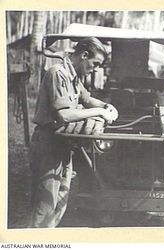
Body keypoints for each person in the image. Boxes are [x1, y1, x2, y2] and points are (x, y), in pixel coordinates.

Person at [29, 37, 118, 228]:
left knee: (60, 201)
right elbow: (64, 115)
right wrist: (100, 112)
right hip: (48, 143)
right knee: (45, 206)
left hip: (63, 145)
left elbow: (86, 98)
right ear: (84, 55)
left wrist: (107, 106)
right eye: (95, 64)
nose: (95, 69)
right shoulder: (57, 73)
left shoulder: (74, 76)